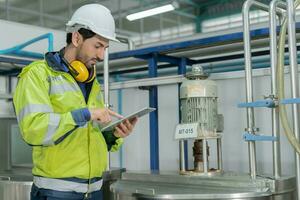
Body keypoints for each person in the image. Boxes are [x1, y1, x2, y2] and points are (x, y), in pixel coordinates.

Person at [13, 4, 137, 200]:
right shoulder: (38, 75)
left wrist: (113, 134)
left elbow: (86, 136)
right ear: (77, 38)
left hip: (94, 191)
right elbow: (33, 129)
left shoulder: (90, 81)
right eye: (97, 46)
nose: (101, 56)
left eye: (105, 48)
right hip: (57, 193)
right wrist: (85, 114)